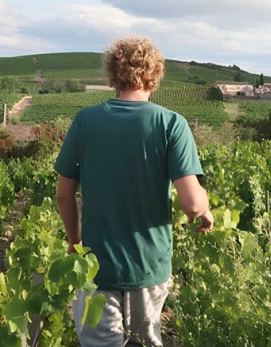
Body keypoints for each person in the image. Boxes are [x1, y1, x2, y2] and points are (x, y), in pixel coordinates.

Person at [55, 37, 214, 346]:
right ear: (154, 75)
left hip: (94, 267)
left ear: (113, 75)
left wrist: (75, 243)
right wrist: (204, 210)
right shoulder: (172, 124)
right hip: (149, 267)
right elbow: (192, 204)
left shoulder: (85, 121)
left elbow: (64, 194)